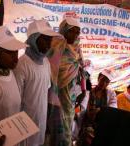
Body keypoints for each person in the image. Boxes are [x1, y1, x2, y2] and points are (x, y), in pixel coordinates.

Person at [13, 19, 61, 146]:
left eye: (50, 40)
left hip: (40, 124)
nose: (49, 44)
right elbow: (15, 102)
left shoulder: (45, 62)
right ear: (34, 39)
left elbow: (43, 93)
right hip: (23, 128)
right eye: (45, 39)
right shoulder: (21, 65)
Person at [45, 17, 84, 146]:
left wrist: (83, 89)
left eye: (77, 32)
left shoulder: (77, 46)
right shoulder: (54, 45)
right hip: (54, 91)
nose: (75, 35)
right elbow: (49, 67)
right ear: (64, 30)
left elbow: (81, 67)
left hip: (71, 92)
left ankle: (65, 142)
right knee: (55, 119)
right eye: (71, 31)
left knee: (67, 118)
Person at [78, 69, 117, 146]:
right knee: (88, 135)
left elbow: (113, 108)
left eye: (107, 82)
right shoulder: (89, 92)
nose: (104, 83)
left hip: (103, 123)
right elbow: (83, 109)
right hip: (89, 123)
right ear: (98, 77)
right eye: (103, 80)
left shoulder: (111, 93)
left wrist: (100, 110)